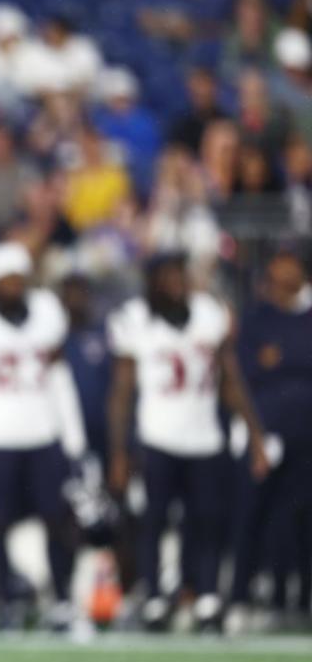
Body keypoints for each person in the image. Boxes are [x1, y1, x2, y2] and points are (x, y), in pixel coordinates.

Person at [107, 252, 269, 632]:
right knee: (155, 520)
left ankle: (207, 595)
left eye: (180, 273)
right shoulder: (135, 320)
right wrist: (118, 451)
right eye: (167, 275)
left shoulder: (209, 314)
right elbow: (122, 391)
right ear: (152, 281)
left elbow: (229, 380)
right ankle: (153, 598)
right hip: (157, 435)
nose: (176, 282)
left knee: (208, 520)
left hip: (204, 436)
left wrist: (256, 435)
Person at [0, 242, 87, 631]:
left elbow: (61, 381)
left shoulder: (45, 311)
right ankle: (6, 598)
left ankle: (61, 598)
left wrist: (73, 440)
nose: (14, 286)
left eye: (19, 279)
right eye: (6, 280)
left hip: (44, 433)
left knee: (58, 520)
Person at [226, 251, 312, 633]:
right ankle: (240, 596)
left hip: (306, 437)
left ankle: (296, 598)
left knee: (300, 520)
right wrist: (257, 437)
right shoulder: (257, 320)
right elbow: (240, 380)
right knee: (251, 515)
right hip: (267, 434)